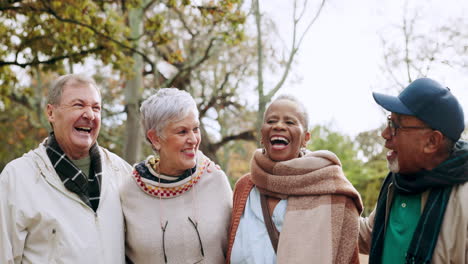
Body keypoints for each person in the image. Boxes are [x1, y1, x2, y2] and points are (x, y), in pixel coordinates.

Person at [0, 74, 132, 263]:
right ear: (51, 113)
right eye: (78, 105)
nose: (89, 115)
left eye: (96, 108)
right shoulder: (17, 178)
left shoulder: (121, 173)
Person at [226, 95, 363, 264]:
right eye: (271, 121)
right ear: (262, 134)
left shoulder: (332, 190)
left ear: (306, 138)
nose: (278, 126)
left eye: (290, 122)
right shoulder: (245, 187)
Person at [359, 77, 468, 264]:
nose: (385, 134)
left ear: (432, 142)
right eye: (388, 121)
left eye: (395, 125)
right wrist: (327, 189)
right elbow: (368, 236)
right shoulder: (398, 182)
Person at [121, 88, 233, 264]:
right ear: (155, 138)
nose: (193, 139)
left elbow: (237, 248)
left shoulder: (215, 180)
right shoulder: (129, 191)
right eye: (182, 132)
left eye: (195, 129)